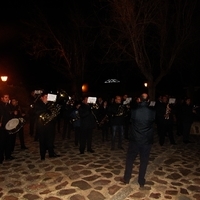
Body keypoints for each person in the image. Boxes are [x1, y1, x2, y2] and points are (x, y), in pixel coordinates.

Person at [121, 93, 155, 188]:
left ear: (139, 100)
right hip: (146, 140)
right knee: (144, 161)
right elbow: (152, 121)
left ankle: (127, 178)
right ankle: (141, 181)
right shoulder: (152, 112)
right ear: (148, 101)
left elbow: (131, 121)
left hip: (135, 139)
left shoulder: (134, 111)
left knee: (130, 159)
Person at [34, 92, 60, 160]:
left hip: (50, 125)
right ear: (41, 97)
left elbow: (54, 113)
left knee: (50, 140)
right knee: (42, 141)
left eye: (47, 97)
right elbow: (36, 112)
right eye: (45, 97)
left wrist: (54, 114)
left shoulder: (50, 104)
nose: (47, 98)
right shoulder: (38, 104)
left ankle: (51, 153)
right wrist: (47, 110)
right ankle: (42, 155)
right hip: (41, 126)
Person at [0, 93, 15, 163]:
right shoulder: (0, 105)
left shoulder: (9, 106)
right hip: (2, 127)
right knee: (2, 142)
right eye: (6, 97)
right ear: (2, 98)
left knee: (8, 141)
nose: (7, 99)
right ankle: (0, 157)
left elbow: (11, 114)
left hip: (9, 126)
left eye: (8, 97)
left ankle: (8, 156)